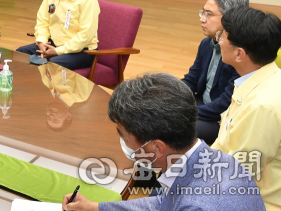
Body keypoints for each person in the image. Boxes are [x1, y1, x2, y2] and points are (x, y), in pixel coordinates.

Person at [62, 73, 264, 211]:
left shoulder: (197, 205)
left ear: (156, 147)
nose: (123, 143)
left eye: (124, 136)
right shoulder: (216, 159)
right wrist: (96, 208)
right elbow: (162, 203)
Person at [212, 7, 281, 210]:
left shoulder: (262, 107)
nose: (218, 39)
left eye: (222, 36)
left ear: (240, 54)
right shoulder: (263, 79)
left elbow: (240, 176)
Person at [181, 0, 248, 145]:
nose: (202, 19)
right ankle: (146, 170)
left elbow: (225, 103)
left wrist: (185, 112)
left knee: (167, 129)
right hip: (200, 106)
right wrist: (170, 95)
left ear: (230, 19)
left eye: (208, 14)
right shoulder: (206, 44)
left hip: (217, 119)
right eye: (202, 13)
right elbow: (191, 80)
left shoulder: (240, 54)